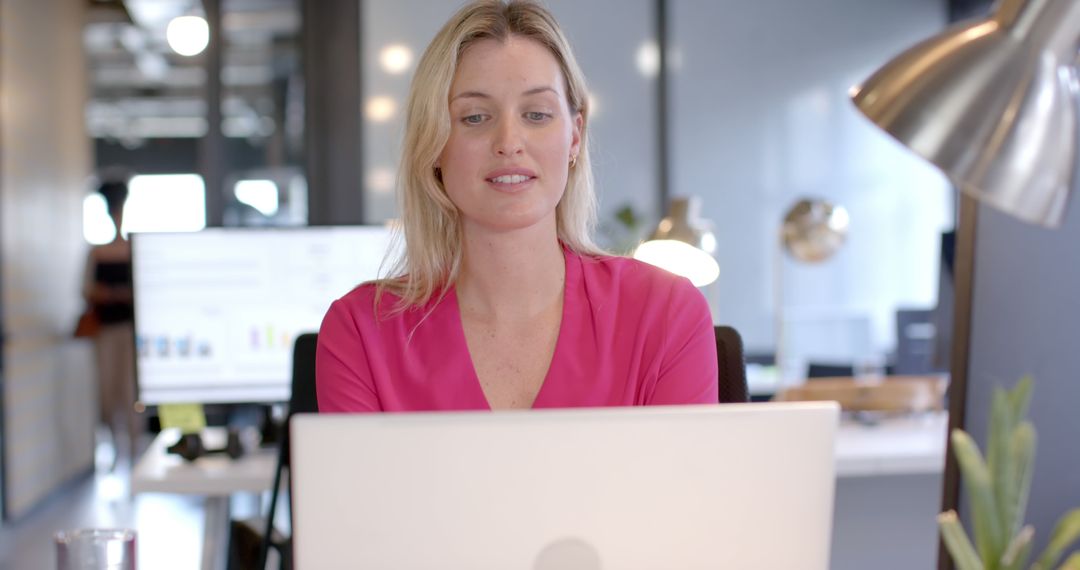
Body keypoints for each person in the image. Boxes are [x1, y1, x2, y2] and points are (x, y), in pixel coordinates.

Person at [317, 0, 717, 412]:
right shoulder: (360, 333)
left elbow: (685, 478)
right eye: (474, 117)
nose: (509, 141)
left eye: (537, 114)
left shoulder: (666, 313)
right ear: (435, 143)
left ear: (575, 137)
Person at [82, 178, 140, 467]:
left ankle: (134, 447)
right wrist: (107, 294)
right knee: (108, 392)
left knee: (130, 390)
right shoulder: (96, 252)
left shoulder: (135, 249)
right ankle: (115, 447)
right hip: (105, 330)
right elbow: (86, 289)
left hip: (130, 332)